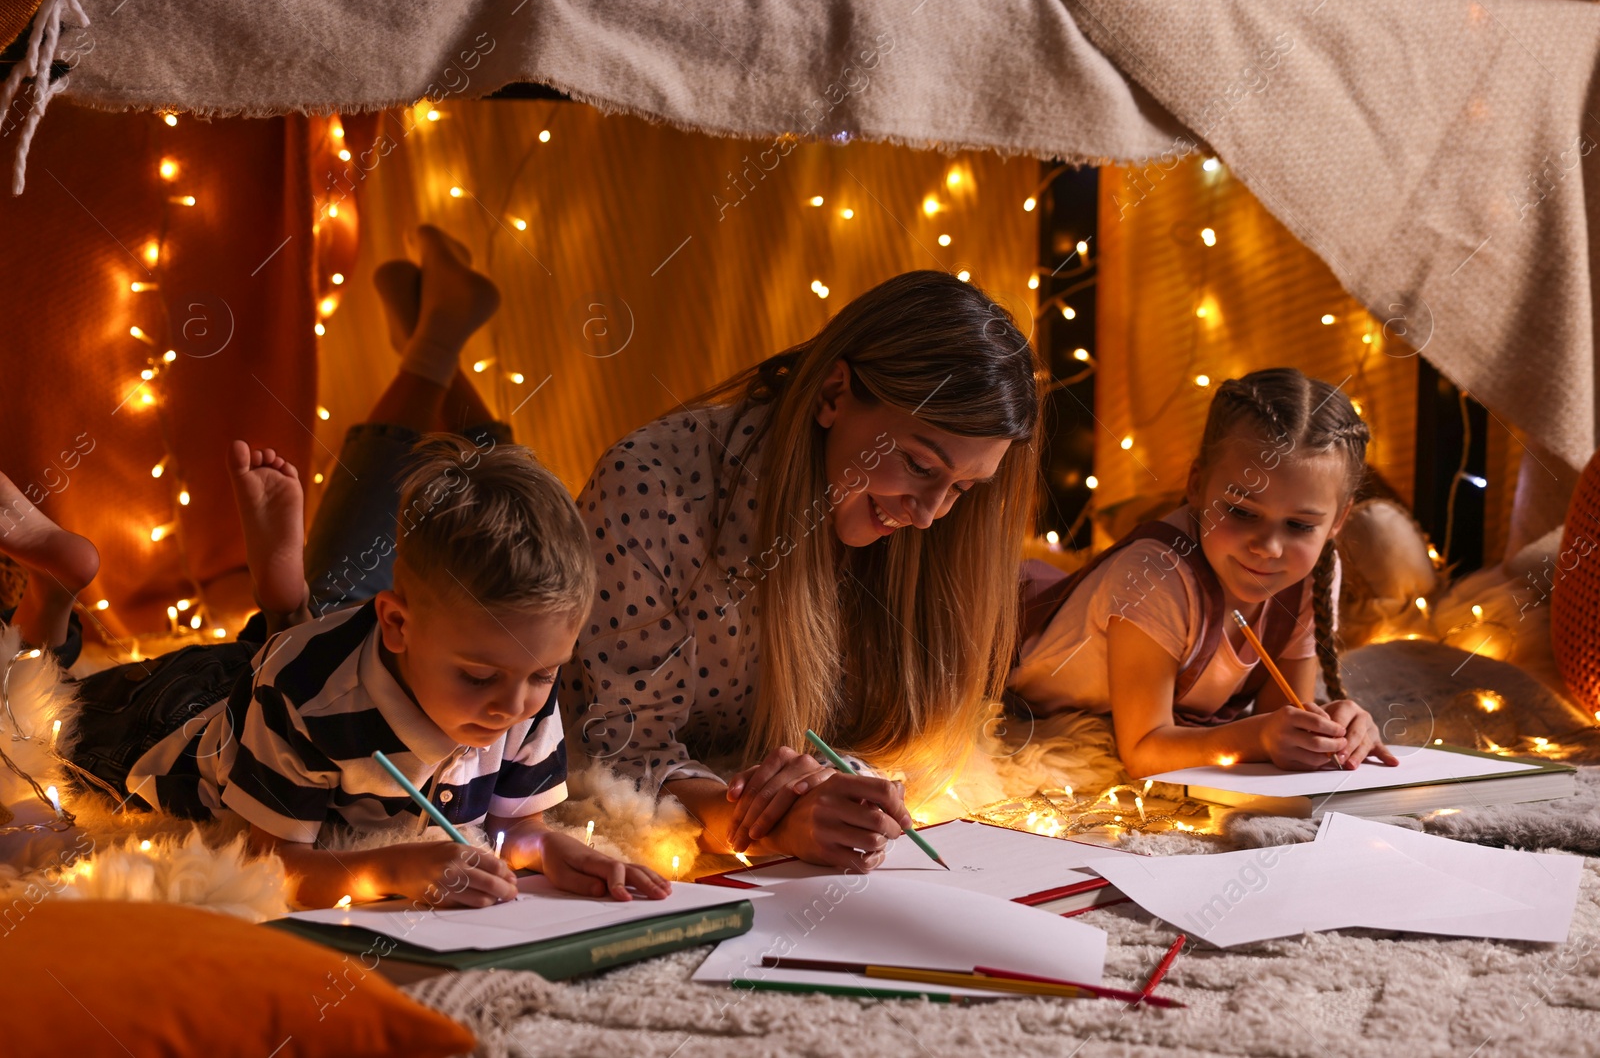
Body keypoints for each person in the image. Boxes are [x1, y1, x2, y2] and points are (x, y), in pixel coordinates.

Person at [36, 226, 668, 909]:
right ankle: (51, 601)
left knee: (292, 645)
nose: (513, 705)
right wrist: (390, 870)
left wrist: (557, 848)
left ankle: (286, 596)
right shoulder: (309, 699)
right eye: (480, 676)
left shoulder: (521, 678)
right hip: (173, 724)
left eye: (540, 676)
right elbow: (269, 865)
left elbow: (518, 826)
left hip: (304, 660)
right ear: (394, 622)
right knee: (45, 717)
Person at [565, 269, 1041, 870]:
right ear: (833, 395)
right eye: (919, 465)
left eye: (962, 488)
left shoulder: (924, 532)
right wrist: (771, 821)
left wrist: (841, 788)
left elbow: (910, 738)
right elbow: (616, 758)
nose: (928, 517)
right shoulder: (652, 486)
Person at [1007, 367, 1398, 777]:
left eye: (1300, 526)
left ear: (1339, 519)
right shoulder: (1154, 575)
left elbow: (1279, 713)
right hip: (1004, 638)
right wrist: (1256, 738)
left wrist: (1330, 731)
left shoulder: (1315, 570)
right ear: (1197, 484)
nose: (1268, 547)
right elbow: (1143, 751)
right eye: (1242, 512)